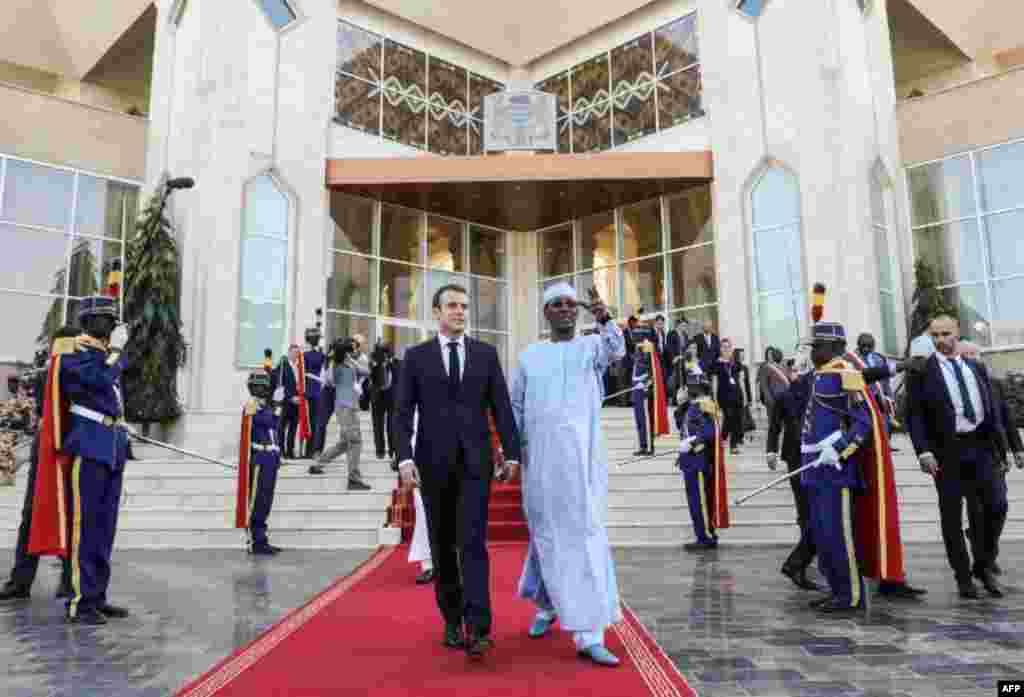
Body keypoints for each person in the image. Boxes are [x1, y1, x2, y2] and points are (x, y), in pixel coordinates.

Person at [395, 283, 521, 659]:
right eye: (452, 306)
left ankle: (479, 627)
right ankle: (452, 619)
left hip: (475, 465)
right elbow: (401, 413)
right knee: (443, 546)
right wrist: (404, 459)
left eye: (464, 307)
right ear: (437, 312)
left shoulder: (485, 354)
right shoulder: (416, 357)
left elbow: (501, 407)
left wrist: (511, 454)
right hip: (432, 465)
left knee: (472, 544)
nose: (460, 312)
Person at [512, 283, 625, 667]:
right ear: (546, 313)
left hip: (583, 466)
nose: (563, 310)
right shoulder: (530, 356)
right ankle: (547, 605)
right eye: (555, 305)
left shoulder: (591, 348)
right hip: (540, 466)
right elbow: (515, 407)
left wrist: (603, 314)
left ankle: (588, 633)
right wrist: (511, 455)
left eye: (568, 305)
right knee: (547, 536)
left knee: (583, 540)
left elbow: (618, 350)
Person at [906, 315, 1009, 599]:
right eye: (935, 335)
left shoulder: (975, 367)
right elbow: (914, 415)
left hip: (981, 448)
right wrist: (923, 451)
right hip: (946, 453)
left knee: (995, 506)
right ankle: (964, 577)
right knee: (952, 517)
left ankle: (983, 564)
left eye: (946, 334)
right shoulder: (922, 372)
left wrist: (1001, 448)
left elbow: (991, 410)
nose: (940, 340)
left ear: (957, 333)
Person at [59, 296, 133, 624]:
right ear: (89, 321)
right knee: (84, 528)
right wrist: (117, 351)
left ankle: (96, 596)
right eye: (106, 318)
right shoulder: (73, 351)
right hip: (88, 446)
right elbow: (100, 380)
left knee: (104, 529)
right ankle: (80, 601)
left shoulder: (103, 355)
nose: (113, 324)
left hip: (110, 446)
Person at [800, 320, 875, 613]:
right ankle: (836, 589)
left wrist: (841, 450)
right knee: (822, 534)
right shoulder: (818, 375)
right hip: (813, 468)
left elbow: (864, 422)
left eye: (818, 347)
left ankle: (851, 595)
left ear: (836, 348)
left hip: (834, 469)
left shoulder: (846, 375)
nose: (814, 351)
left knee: (837, 534)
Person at [0, 327, 78, 602]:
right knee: (31, 516)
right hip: (45, 449)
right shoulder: (47, 374)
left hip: (73, 449)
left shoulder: (79, 373)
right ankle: (20, 582)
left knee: (71, 518)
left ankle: (70, 583)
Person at [956, 340, 1021, 579]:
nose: (976, 358)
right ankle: (985, 560)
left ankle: (984, 546)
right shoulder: (953, 384)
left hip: (995, 455)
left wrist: (1017, 448)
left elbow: (1006, 418)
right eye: (969, 355)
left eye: (977, 354)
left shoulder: (994, 384)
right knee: (978, 509)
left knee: (999, 506)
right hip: (969, 457)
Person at [766, 360, 818, 591]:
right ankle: (801, 562)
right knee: (805, 509)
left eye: (801, 369)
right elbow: (774, 426)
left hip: (814, 453)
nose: (797, 373)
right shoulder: (785, 396)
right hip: (795, 456)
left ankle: (803, 560)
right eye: (794, 370)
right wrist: (771, 450)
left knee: (812, 511)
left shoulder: (814, 390)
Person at [676, 366, 730, 552]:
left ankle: (706, 536)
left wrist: (691, 443)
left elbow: (710, 432)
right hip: (689, 461)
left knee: (700, 501)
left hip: (698, 461)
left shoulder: (705, 404)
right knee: (694, 501)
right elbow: (681, 426)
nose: (687, 388)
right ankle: (702, 534)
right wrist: (681, 404)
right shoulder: (693, 405)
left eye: (690, 385)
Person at [235, 372, 282, 555]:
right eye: (262, 386)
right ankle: (256, 541)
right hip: (260, 460)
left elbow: (275, 427)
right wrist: (277, 405)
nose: (265, 389)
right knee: (257, 502)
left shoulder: (263, 406)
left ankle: (262, 539)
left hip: (270, 458)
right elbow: (268, 421)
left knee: (266, 502)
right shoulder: (252, 406)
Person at [316, 337, 370, 490]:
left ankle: (319, 463)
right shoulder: (335, 365)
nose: (354, 350)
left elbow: (366, 372)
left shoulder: (349, 363)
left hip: (350, 406)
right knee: (355, 442)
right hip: (345, 408)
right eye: (350, 348)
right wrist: (333, 361)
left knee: (344, 443)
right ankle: (354, 479)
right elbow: (329, 381)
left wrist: (350, 360)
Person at [713, 338, 745, 454]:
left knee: (736, 420)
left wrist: (745, 396)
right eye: (724, 347)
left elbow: (741, 380)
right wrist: (715, 398)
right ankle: (724, 439)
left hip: (737, 395)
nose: (726, 349)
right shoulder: (717, 363)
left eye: (728, 347)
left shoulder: (736, 363)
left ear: (731, 349)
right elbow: (715, 382)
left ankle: (733, 444)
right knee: (729, 417)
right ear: (721, 349)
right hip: (724, 396)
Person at [369, 341, 397, 460]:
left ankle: (392, 450)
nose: (384, 356)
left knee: (392, 425)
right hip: (377, 397)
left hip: (392, 397)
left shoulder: (396, 363)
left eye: (386, 352)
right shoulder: (374, 364)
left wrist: (390, 362)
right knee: (377, 426)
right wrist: (376, 364)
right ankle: (380, 451)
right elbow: (371, 377)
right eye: (382, 352)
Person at [302, 325, 326, 460]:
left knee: (309, 422)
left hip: (308, 390)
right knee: (316, 422)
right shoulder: (322, 355)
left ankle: (309, 450)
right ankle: (315, 450)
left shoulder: (304, 355)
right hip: (318, 389)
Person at [274, 345, 301, 460]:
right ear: (289, 353)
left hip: (297, 402)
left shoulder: (300, 366)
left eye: (297, 353)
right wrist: (290, 397)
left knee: (293, 428)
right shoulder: (282, 366)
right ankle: (281, 451)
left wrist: (299, 397)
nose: (296, 355)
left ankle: (290, 451)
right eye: (294, 352)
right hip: (286, 402)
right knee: (281, 428)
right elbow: (280, 384)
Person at [757, 346, 789, 423]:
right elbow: (764, 385)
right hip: (771, 400)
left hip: (782, 400)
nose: (771, 356)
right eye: (770, 354)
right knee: (773, 422)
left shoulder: (783, 366)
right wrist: (770, 400)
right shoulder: (765, 367)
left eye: (772, 354)